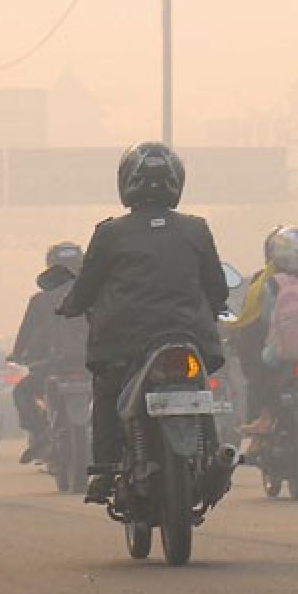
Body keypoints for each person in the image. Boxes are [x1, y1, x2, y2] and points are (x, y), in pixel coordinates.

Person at [57, 142, 229, 503]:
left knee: (106, 395)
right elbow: (216, 286)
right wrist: (213, 310)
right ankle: (214, 457)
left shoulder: (109, 233)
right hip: (190, 338)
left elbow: (85, 289)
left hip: (124, 345)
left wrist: (70, 306)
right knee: (203, 393)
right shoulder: (196, 230)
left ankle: (104, 472)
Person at [228, 226, 298, 464]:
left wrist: (238, 338)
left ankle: (263, 417)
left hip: (277, 354)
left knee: (257, 372)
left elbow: (251, 320)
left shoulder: (265, 281)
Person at [11, 242, 88, 464]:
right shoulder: (97, 293)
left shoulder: (41, 299)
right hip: (93, 363)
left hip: (55, 364)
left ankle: (40, 434)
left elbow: (26, 333)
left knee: (22, 392)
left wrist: (17, 355)